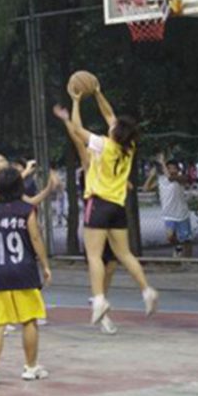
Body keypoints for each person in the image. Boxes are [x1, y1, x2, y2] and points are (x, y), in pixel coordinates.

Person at [53, 86, 158, 326]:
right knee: (124, 253)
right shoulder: (128, 147)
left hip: (99, 203)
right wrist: (98, 92)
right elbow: (110, 115)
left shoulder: (102, 145)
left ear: (114, 131)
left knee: (94, 256)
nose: (110, 122)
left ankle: (99, 299)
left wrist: (76, 101)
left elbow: (78, 131)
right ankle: (147, 290)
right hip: (118, 207)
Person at [0, 154, 58, 339]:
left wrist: (49, 187)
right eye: (0, 161)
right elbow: (5, 185)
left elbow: (31, 202)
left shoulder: (8, 190)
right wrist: (25, 172)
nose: (5, 162)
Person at [0, 167, 52, 385]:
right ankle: (30, 367)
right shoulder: (26, 210)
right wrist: (45, 265)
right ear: (20, 187)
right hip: (25, 271)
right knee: (29, 320)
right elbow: (35, 238)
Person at [65, 88, 119, 334]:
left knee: (112, 264)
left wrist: (97, 93)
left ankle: (100, 298)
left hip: (111, 212)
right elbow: (78, 136)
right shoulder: (89, 161)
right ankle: (101, 307)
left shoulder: (111, 154)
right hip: (95, 213)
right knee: (98, 260)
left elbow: (110, 117)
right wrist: (70, 115)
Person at [143, 154, 193, 258]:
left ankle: (188, 259)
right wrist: (151, 176)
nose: (170, 170)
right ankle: (178, 247)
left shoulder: (180, 178)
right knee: (170, 236)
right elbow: (146, 188)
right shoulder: (162, 179)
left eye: (173, 168)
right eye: (168, 168)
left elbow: (170, 178)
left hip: (181, 214)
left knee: (186, 240)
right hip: (168, 214)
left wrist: (162, 162)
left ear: (178, 170)